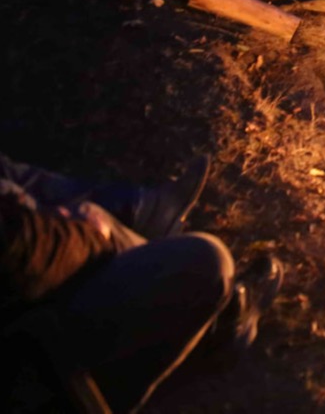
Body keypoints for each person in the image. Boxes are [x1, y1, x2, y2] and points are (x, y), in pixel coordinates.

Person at [1, 152, 283, 412]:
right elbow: (23, 255)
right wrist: (92, 233)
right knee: (207, 263)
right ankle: (214, 329)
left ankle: (140, 211)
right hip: (26, 348)